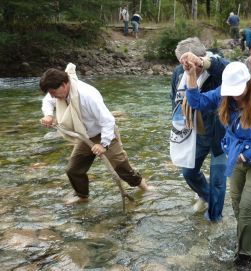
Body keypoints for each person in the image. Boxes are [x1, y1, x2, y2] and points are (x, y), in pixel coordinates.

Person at [182, 60, 251, 270]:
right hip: (236, 155)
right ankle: (247, 236)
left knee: (249, 205)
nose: (234, 96)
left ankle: (245, 258)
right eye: (230, 91)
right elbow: (196, 102)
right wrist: (191, 76)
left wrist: (245, 155)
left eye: (238, 90)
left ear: (247, 84)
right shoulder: (222, 94)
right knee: (238, 205)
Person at [39, 63, 150, 203]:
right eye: (50, 93)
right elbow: (47, 102)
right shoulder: (58, 92)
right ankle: (82, 196)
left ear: (63, 85)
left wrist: (103, 144)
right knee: (73, 169)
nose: (52, 96)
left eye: (53, 93)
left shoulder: (87, 95)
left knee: (122, 168)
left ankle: (145, 188)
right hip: (85, 136)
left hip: (105, 133)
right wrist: (48, 115)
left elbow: (108, 121)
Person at [170, 37, 229, 222]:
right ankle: (207, 197)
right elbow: (175, 101)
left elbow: (227, 67)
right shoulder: (179, 73)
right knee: (189, 173)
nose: (188, 68)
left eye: (192, 63)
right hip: (197, 133)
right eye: (184, 63)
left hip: (222, 134)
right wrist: (179, 129)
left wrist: (202, 63)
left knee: (218, 181)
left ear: (202, 57)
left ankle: (215, 219)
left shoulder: (218, 68)